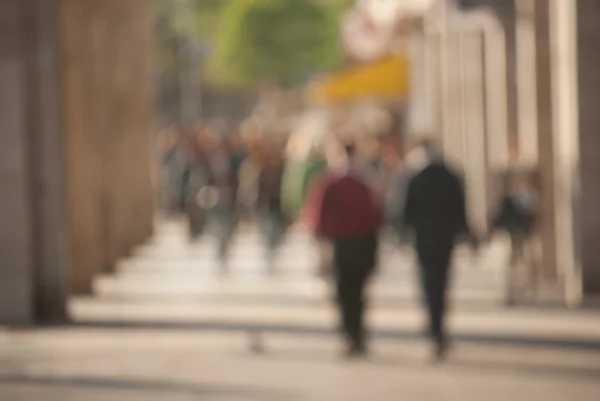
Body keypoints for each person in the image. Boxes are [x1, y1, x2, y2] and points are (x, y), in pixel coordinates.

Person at [400, 138, 474, 361]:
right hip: (445, 238)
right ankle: (438, 328)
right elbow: (461, 208)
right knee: (442, 283)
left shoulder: (416, 177)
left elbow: (406, 210)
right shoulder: (450, 176)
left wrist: (404, 233)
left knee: (429, 284)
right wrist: (465, 233)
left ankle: (435, 328)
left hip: (425, 240)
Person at [310, 141, 382, 357]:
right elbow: (376, 214)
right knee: (358, 292)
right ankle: (357, 333)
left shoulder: (330, 181)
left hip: (341, 243)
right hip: (362, 242)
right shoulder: (367, 179)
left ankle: (350, 333)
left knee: (344, 291)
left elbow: (319, 216)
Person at [490, 171, 538, 305]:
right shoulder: (507, 201)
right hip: (510, 238)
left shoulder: (525, 198)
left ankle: (523, 291)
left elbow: (531, 218)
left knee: (523, 265)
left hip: (521, 237)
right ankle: (511, 293)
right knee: (510, 267)